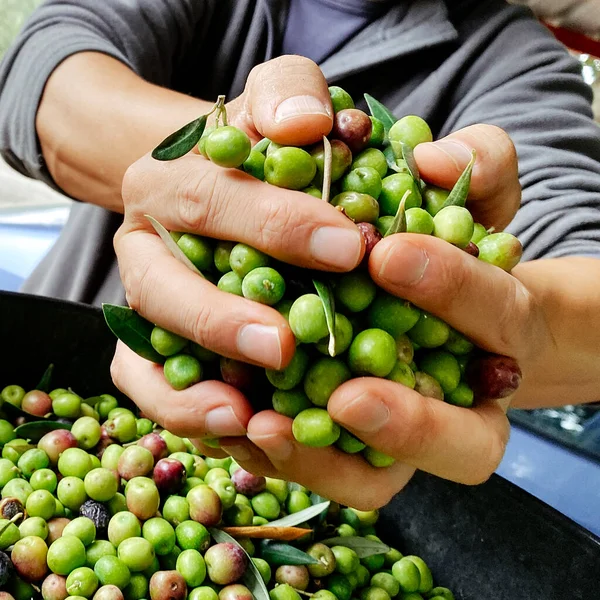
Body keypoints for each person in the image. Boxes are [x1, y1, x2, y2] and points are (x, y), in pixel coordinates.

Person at [1, 0, 600, 510]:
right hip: (51, 375)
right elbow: (47, 74)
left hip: (284, 470)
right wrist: (223, 172)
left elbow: (584, 259)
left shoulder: (517, 58)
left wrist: (523, 325)